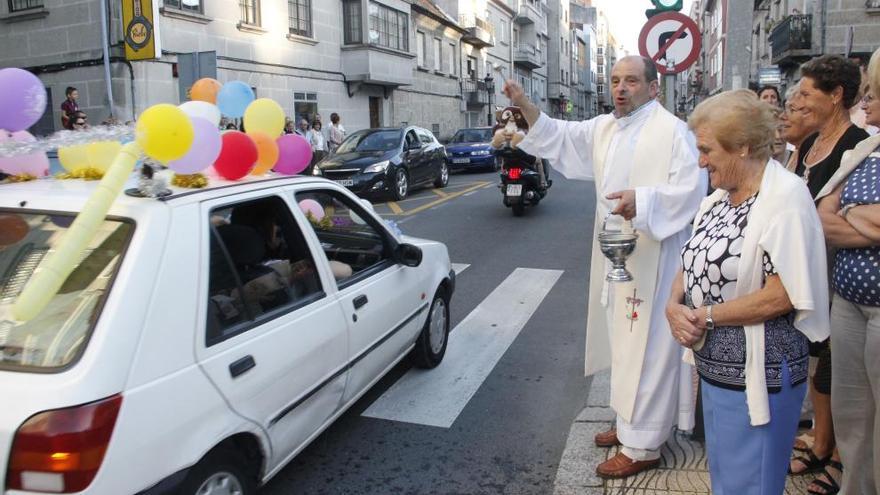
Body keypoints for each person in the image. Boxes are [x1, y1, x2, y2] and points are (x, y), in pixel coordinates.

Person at [508, 55, 707, 478]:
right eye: (615, 80)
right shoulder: (604, 128)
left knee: (649, 346)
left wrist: (646, 201)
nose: (620, 88)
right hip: (614, 251)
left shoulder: (674, 132)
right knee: (622, 339)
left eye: (631, 81)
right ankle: (626, 423)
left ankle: (644, 444)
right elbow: (557, 134)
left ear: (654, 88)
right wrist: (524, 102)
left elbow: (692, 190)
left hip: (654, 253)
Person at [669, 89, 830, 494]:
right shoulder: (719, 199)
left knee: (752, 483)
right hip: (718, 372)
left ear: (742, 146)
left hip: (762, 376)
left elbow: (785, 294)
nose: (700, 160)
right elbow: (693, 258)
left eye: (707, 149)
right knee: (729, 481)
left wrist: (704, 316)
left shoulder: (785, 199)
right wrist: (673, 305)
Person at [788, 55, 868, 490]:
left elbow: (833, 214)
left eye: (806, 92)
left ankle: (840, 457)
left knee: (839, 370)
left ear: (836, 95)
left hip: (840, 272)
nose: (797, 100)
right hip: (808, 269)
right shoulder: (809, 142)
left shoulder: (858, 144)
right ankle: (822, 440)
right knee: (818, 358)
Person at [815, 47, 880, 495]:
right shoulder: (869, 146)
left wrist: (853, 214)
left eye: (874, 93)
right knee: (853, 415)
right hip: (849, 303)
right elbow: (823, 211)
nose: (866, 102)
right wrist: (867, 218)